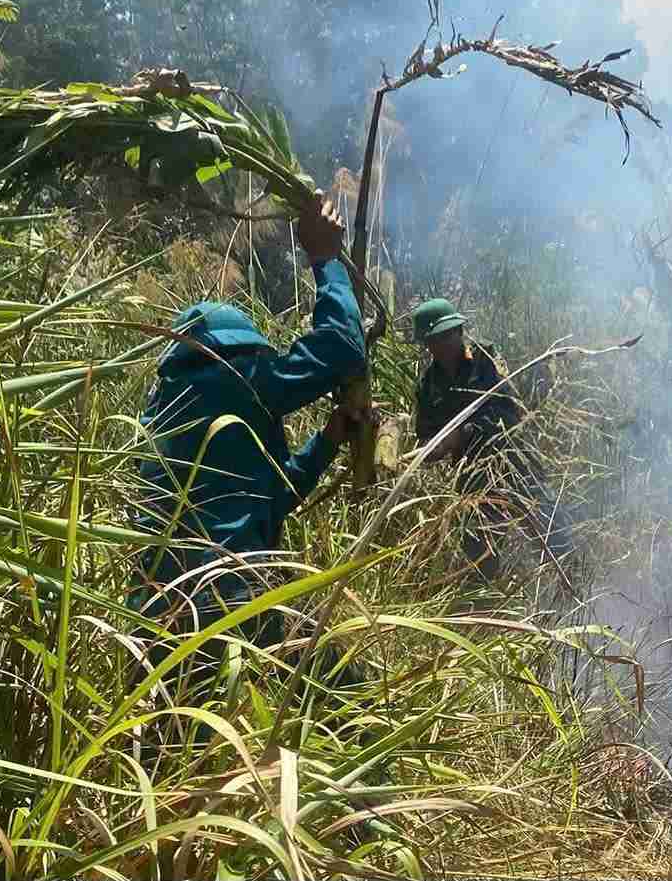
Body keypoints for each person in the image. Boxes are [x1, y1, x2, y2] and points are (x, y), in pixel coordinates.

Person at [131, 195, 365, 704]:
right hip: (226, 600)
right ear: (239, 350)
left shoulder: (167, 410)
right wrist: (326, 259)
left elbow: (268, 499)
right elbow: (342, 347)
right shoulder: (237, 377)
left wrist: (327, 440)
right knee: (346, 694)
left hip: (154, 619)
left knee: (176, 747)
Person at [411, 298, 573, 580]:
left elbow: (507, 412)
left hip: (512, 461)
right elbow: (425, 434)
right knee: (479, 554)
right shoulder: (428, 386)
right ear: (429, 343)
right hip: (473, 477)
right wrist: (433, 449)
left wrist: (463, 434)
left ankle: (570, 588)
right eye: (440, 338)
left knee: (551, 533)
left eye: (453, 333)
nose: (450, 342)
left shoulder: (486, 361)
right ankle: (490, 611)